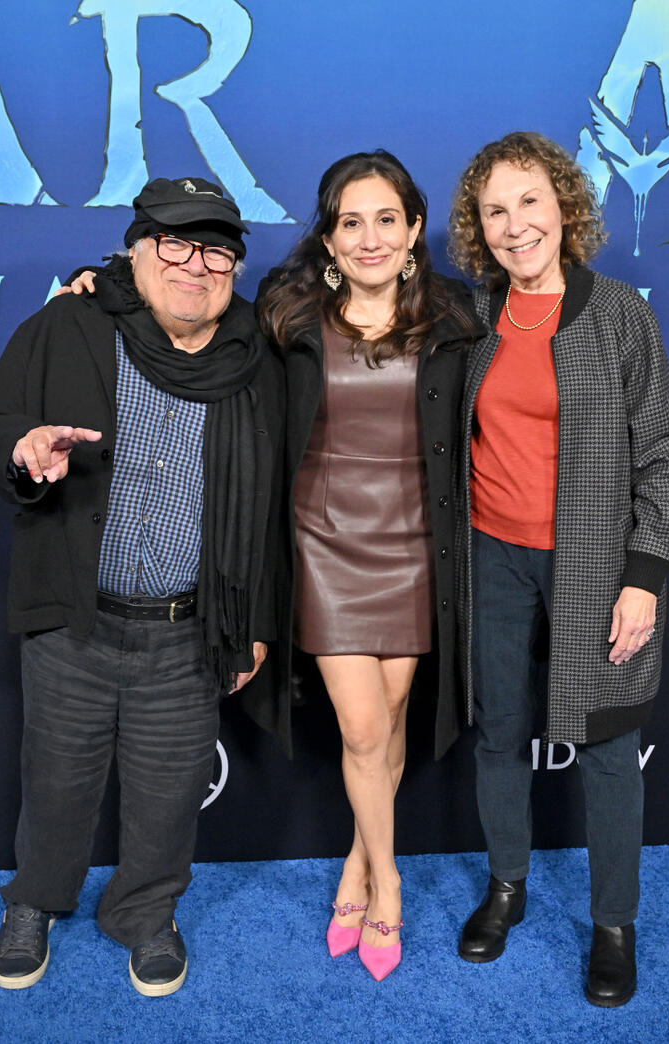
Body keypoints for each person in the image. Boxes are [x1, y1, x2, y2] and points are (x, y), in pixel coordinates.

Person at [0, 177, 284, 996]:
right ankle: (35, 900)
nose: (195, 264)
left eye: (215, 249)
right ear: (133, 253)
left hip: (189, 629)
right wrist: (24, 450)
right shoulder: (70, 323)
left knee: (169, 794)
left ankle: (147, 914)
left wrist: (250, 622)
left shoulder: (257, 358)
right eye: (173, 243)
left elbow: (274, 506)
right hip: (75, 621)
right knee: (58, 780)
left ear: (235, 268)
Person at [447, 132, 669, 1006]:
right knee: (502, 732)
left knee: (608, 747)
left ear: (564, 207)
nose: (515, 226)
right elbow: (352, 293)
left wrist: (645, 575)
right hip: (492, 554)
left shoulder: (618, 311)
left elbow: (665, 447)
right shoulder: (469, 317)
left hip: (595, 563)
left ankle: (613, 926)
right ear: (478, 228)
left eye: (529, 202)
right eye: (495, 210)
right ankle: (506, 887)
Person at [258, 151, 475, 980]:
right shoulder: (287, 319)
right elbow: (186, 310)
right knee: (359, 727)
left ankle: (353, 862)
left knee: (386, 729)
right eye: (352, 221)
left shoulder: (457, 322)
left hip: (420, 551)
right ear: (328, 236)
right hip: (325, 547)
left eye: (387, 218)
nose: (370, 236)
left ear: (415, 229)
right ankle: (388, 886)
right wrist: (96, 282)